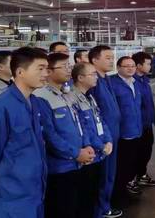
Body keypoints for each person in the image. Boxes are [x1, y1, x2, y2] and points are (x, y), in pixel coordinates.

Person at [0, 47, 48, 218]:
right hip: (11, 196)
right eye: (40, 68)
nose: (45, 73)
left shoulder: (34, 103)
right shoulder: (0, 108)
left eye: (47, 68)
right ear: (20, 72)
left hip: (34, 192)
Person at [34, 52, 95, 218]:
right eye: (64, 67)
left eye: (69, 65)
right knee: (62, 208)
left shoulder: (66, 94)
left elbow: (80, 121)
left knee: (78, 205)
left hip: (77, 161)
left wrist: (87, 144)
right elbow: (49, 135)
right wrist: (76, 153)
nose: (69, 70)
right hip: (59, 167)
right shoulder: (41, 97)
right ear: (49, 71)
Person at [66, 62, 113, 218]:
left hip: (99, 153)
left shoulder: (90, 96)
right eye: (92, 74)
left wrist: (109, 140)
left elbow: (100, 120)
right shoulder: (72, 98)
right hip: (89, 155)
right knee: (84, 197)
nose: (96, 77)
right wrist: (101, 145)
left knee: (94, 192)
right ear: (80, 78)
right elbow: (84, 128)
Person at [88, 45, 123, 218]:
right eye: (107, 58)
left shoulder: (106, 78)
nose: (111, 61)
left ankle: (105, 205)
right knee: (103, 175)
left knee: (110, 173)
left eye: (112, 57)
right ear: (94, 60)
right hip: (102, 138)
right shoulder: (93, 83)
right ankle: (100, 210)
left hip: (113, 133)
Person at [109, 57, 143, 206]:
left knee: (131, 164)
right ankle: (118, 196)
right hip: (122, 133)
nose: (130, 68)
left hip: (136, 130)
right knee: (121, 166)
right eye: (126, 66)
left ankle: (125, 190)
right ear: (118, 68)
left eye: (133, 66)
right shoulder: (112, 84)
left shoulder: (135, 82)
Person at [131, 52, 155, 188]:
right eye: (148, 64)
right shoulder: (132, 82)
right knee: (138, 152)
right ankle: (133, 178)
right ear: (138, 65)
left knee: (147, 149)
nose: (150, 66)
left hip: (147, 122)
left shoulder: (144, 80)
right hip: (138, 124)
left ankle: (141, 174)